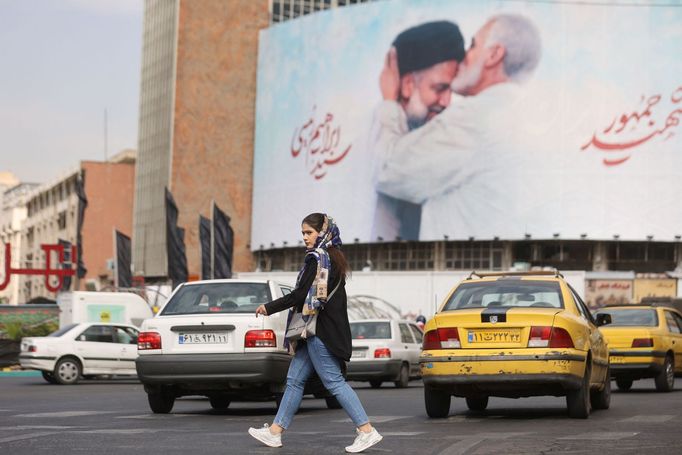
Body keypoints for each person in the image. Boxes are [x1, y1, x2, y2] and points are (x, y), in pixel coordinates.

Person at [373, 14, 542, 241]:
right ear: (408, 84)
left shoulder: (478, 116)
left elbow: (387, 171)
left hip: (462, 265)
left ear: (494, 54)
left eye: (472, 45)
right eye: (440, 88)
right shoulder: (524, 112)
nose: (465, 58)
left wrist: (388, 102)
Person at [248, 213, 383, 453]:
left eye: (308, 232)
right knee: (294, 380)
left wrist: (269, 307)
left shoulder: (317, 259)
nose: (304, 238)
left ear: (322, 232)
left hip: (319, 330)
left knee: (334, 382)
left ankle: (366, 430)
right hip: (315, 330)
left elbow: (300, 295)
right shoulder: (332, 258)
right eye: (302, 233)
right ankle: (275, 432)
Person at [371, 20, 465, 241]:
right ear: (406, 85)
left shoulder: (445, 138)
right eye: (439, 88)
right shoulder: (374, 130)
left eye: (451, 89)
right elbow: (384, 173)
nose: (446, 101)